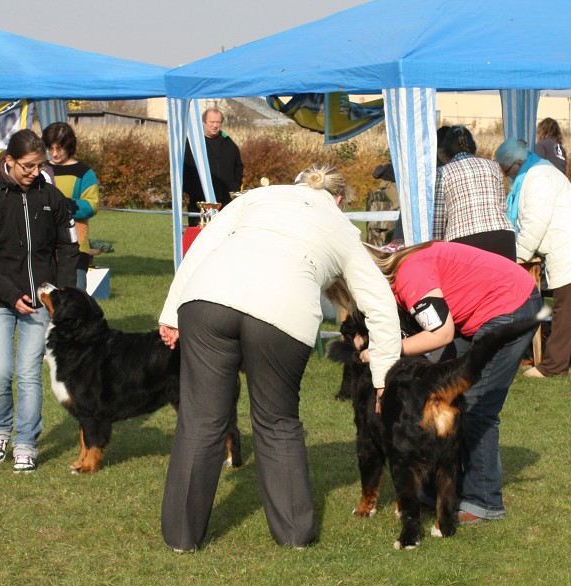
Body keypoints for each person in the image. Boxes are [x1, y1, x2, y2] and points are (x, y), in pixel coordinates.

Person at [158, 164, 402, 551]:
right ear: (338, 199)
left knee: (200, 421)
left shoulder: (257, 196)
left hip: (207, 299)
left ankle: (180, 538)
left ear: (298, 183)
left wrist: (171, 313)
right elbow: (380, 303)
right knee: (277, 421)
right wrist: (384, 375)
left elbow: (201, 246)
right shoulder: (341, 228)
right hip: (282, 314)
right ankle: (293, 535)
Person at [365, 240, 542, 523]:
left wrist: (387, 350)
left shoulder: (410, 276)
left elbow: (441, 334)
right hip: (483, 310)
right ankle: (439, 490)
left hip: (511, 305)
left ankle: (482, 501)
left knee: (474, 405)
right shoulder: (398, 267)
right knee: (438, 395)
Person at [0, 129, 79, 473]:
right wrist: (11, 295)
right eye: (28, 166)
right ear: (10, 161)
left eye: (40, 165)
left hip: (41, 303)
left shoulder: (51, 196)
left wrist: (61, 296)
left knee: (29, 374)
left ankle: (26, 442)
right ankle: (0, 431)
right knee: (0, 372)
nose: (35, 172)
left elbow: (67, 247)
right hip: (0, 301)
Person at [495, 138, 571, 378]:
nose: (508, 176)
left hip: (568, 247)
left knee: (564, 308)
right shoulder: (542, 170)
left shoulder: (537, 178)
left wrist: (519, 255)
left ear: (516, 163)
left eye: (507, 170)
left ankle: (554, 367)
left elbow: (535, 223)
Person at [432, 125, 516, 260]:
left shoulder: (443, 173)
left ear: (446, 150)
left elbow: (438, 219)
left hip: (463, 240)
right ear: (473, 145)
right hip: (502, 236)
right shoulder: (493, 166)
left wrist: (435, 247)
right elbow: (502, 206)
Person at [42, 122, 100, 290]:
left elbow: (91, 205)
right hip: (44, 243)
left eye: (59, 148)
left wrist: (62, 205)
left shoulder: (84, 172)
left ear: (69, 146)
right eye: (50, 149)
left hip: (75, 244)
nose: (54, 153)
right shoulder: (41, 169)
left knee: (74, 298)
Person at [183, 108, 244, 226]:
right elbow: (184, 171)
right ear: (204, 122)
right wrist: (192, 191)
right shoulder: (193, 144)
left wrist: (234, 188)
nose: (215, 125)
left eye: (218, 122)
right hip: (199, 203)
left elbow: (239, 168)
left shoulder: (229, 144)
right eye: (212, 122)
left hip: (225, 202)